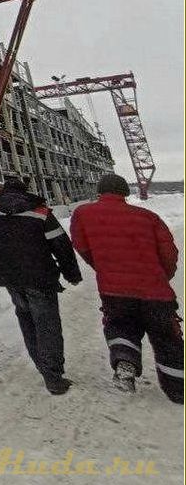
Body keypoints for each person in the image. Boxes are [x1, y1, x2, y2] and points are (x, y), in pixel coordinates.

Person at [70, 173, 182, 404]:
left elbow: (82, 246)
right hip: (155, 290)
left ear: (99, 192)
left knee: (121, 325)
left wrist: (105, 267)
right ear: (125, 193)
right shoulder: (148, 217)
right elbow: (169, 254)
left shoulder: (83, 214)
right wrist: (163, 276)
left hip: (114, 291)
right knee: (166, 337)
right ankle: (179, 389)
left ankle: (125, 362)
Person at [0, 174, 82, 394]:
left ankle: (42, 366)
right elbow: (61, 244)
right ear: (25, 190)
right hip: (40, 276)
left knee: (27, 319)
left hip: (10, 278)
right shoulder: (40, 210)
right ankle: (53, 375)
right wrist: (72, 273)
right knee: (47, 324)